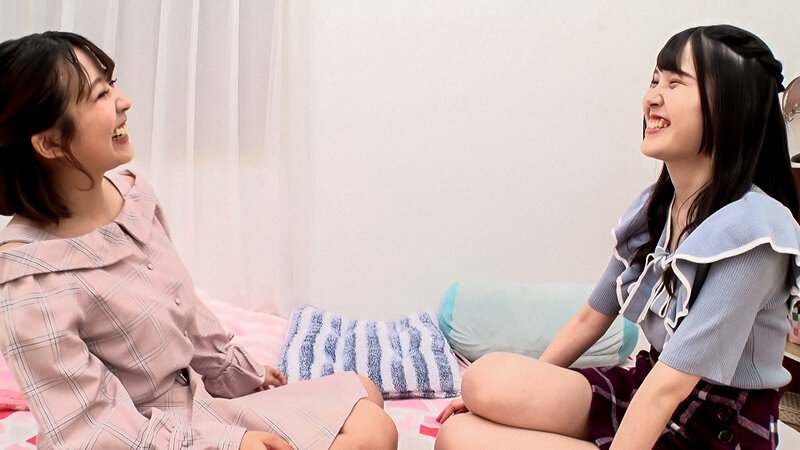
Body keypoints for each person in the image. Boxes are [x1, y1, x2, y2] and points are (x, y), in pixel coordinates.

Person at [0, 31, 398, 450]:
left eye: (111, 84)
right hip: (146, 436)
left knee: (363, 391)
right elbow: (91, 430)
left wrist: (235, 372)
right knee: (373, 433)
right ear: (50, 142)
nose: (123, 101)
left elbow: (184, 308)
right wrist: (230, 445)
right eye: (100, 94)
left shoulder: (133, 198)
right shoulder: (29, 284)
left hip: (196, 405)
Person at [435, 24, 800, 449]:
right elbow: (591, 318)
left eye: (675, 83)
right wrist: (511, 398)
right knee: (481, 385)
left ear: (732, 107)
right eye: (654, 80)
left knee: (464, 441)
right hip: (648, 384)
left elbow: (671, 385)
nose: (652, 97)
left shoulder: (756, 231)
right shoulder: (655, 210)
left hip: (715, 426)